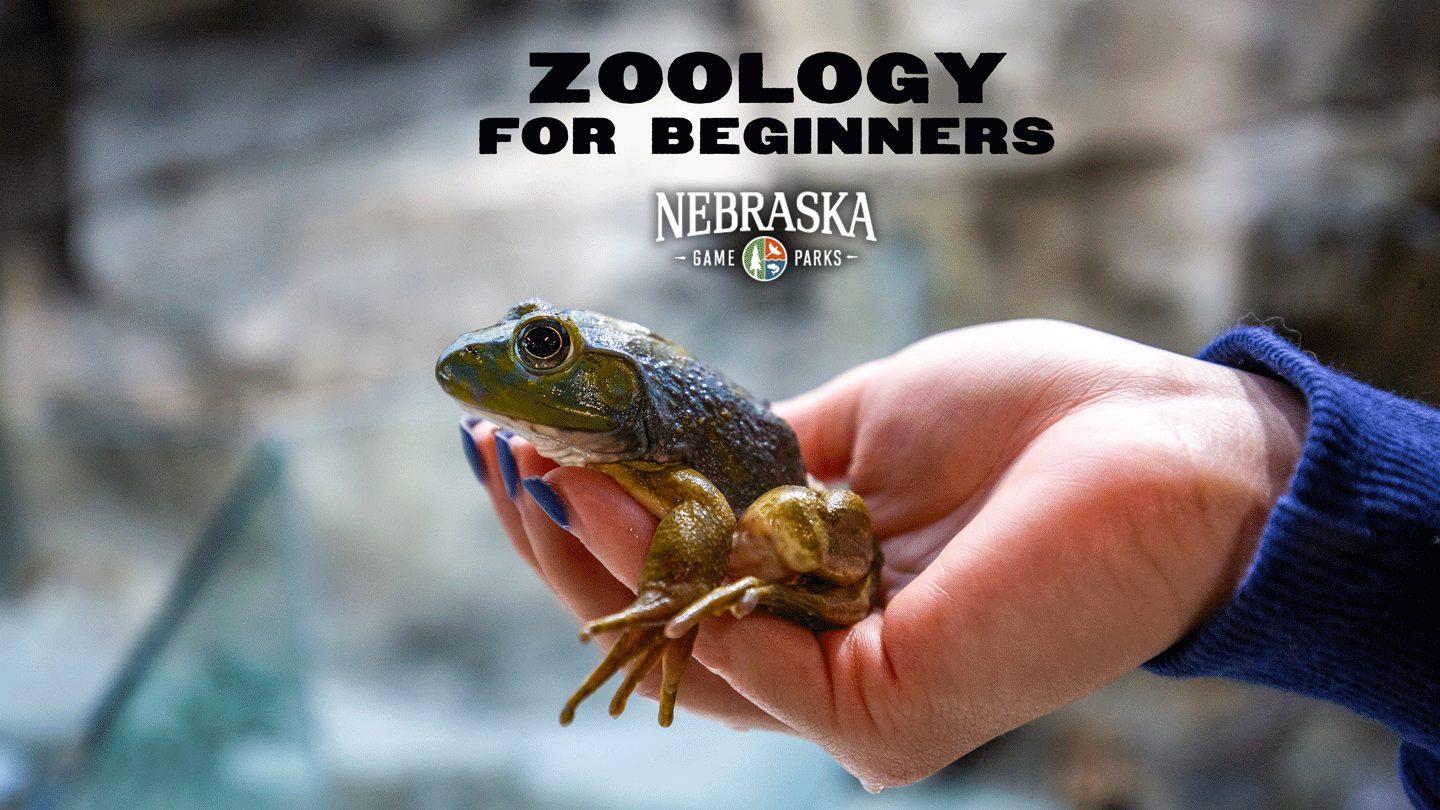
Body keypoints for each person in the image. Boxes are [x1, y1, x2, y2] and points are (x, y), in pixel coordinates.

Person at [457, 320, 1439, 806]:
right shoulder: (621, 449)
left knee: (785, 529)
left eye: (545, 346)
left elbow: (708, 514)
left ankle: (792, 581)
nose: (522, 355)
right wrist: (1209, 488)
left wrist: (674, 594)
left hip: (801, 513)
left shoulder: (658, 452)